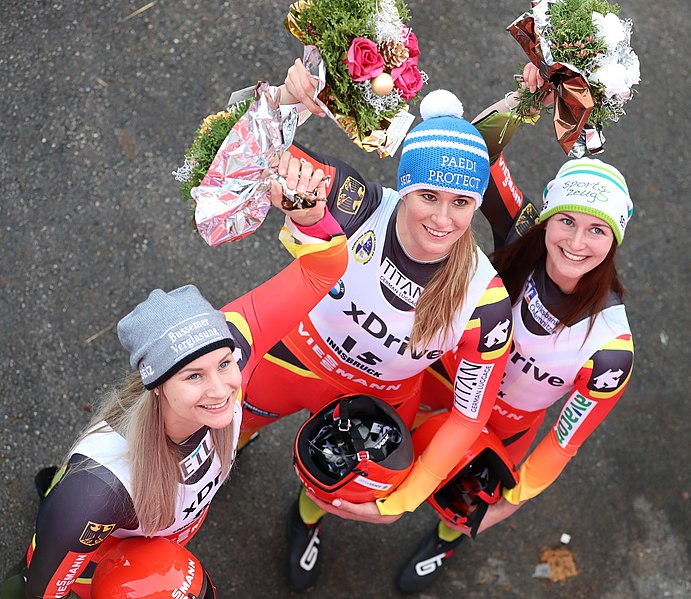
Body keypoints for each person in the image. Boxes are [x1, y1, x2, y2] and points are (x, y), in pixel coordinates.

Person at [0, 151, 348, 599]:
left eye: (224, 364)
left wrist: (309, 213)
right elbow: (43, 594)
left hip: (158, 546)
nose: (222, 389)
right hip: (97, 571)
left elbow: (323, 269)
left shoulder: (234, 346)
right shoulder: (99, 492)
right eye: (193, 377)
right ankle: (53, 501)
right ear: (157, 384)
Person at [239, 60, 515, 592]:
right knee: (232, 424)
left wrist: (404, 501)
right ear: (404, 188)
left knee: (333, 484)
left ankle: (307, 517)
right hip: (293, 358)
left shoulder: (485, 300)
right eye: (428, 196)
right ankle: (228, 455)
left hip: (380, 398)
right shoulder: (355, 201)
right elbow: (243, 145)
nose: (442, 219)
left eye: (462, 204)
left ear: (476, 205)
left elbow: (467, 415)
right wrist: (284, 99)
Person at [395, 74, 635, 593]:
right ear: (546, 219)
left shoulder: (612, 348)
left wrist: (498, 507)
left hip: (507, 428)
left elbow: (562, 444)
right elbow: (476, 149)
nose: (575, 243)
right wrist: (531, 96)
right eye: (565, 221)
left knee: (458, 502)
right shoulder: (520, 234)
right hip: (438, 378)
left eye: (597, 230)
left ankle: (446, 535)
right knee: (382, 458)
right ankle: (313, 512)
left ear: (614, 241)